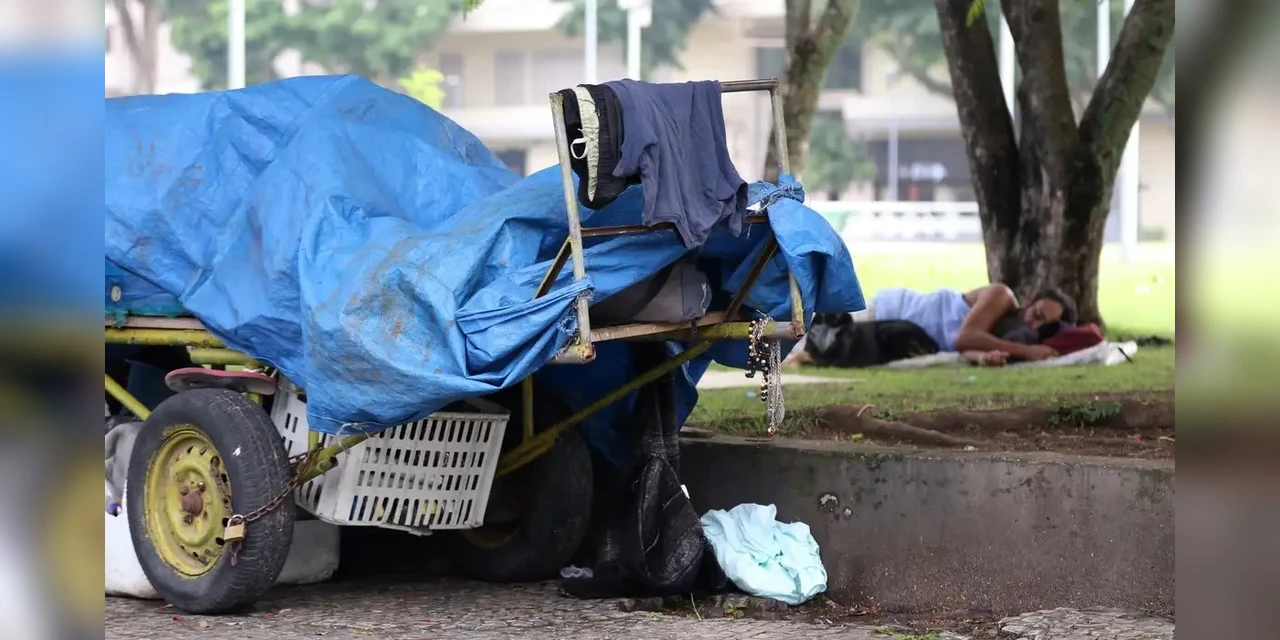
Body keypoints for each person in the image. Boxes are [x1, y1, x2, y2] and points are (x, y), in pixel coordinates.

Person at [786, 284, 1078, 368]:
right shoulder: (1002, 297)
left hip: (900, 336)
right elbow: (966, 337)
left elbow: (965, 348)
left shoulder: (1008, 337)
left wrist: (987, 358)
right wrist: (1029, 353)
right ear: (1030, 299)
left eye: (1043, 324)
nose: (1033, 322)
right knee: (806, 336)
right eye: (1037, 312)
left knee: (818, 347)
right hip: (893, 312)